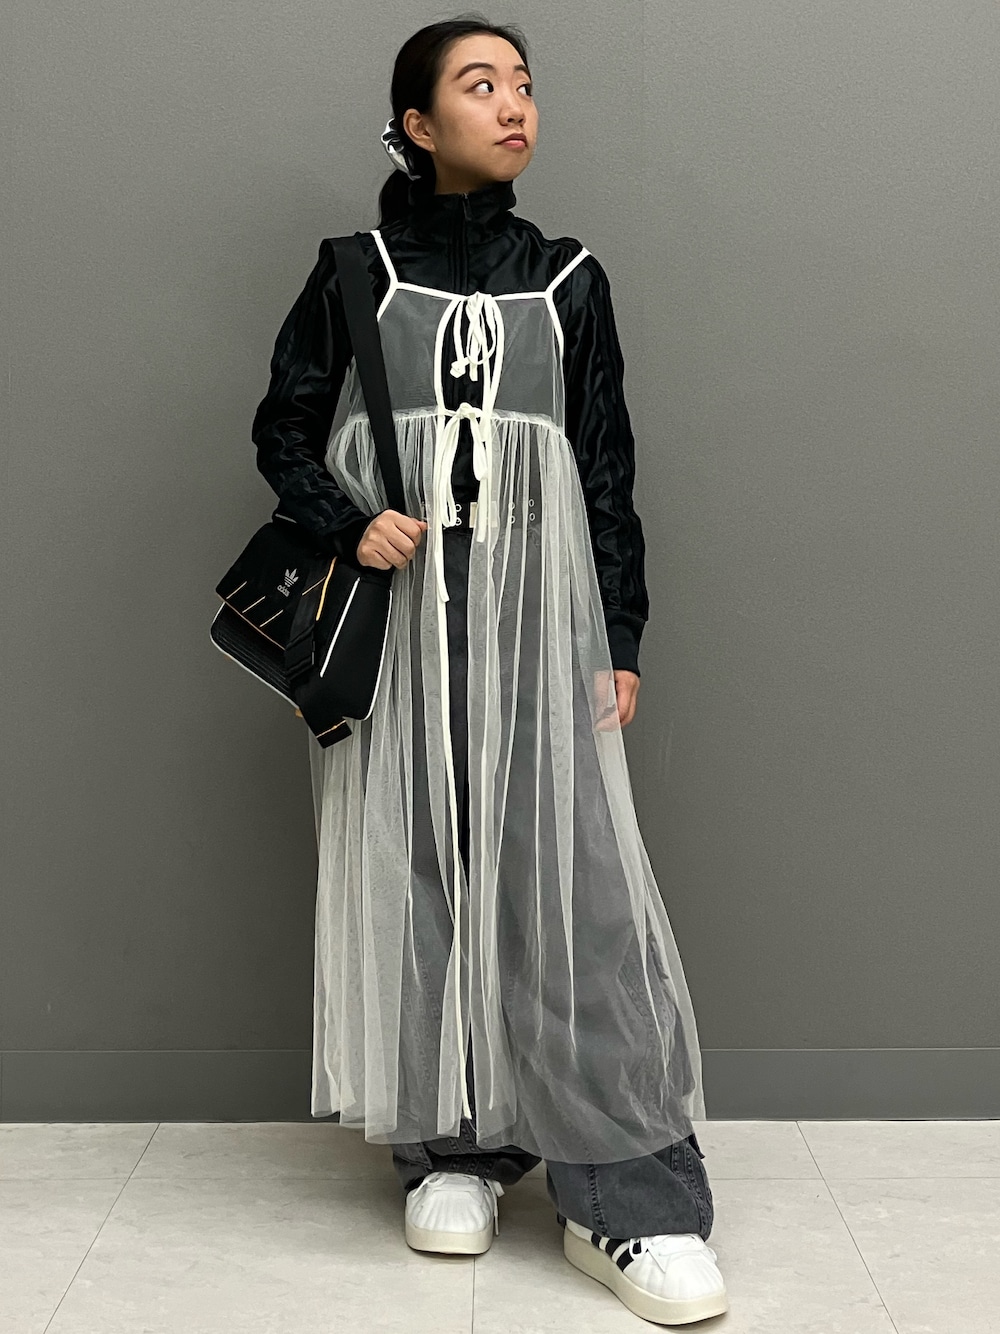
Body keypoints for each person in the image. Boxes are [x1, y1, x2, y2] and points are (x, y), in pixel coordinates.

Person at [251, 16, 727, 1326]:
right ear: (417, 124)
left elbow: (608, 469)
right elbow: (285, 425)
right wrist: (349, 516)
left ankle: (625, 1196)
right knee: (420, 867)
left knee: (568, 885)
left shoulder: (570, 278)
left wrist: (619, 636)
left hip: (540, 627)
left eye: (523, 84)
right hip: (401, 632)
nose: (514, 104)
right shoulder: (355, 273)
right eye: (480, 84)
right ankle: (452, 1148)